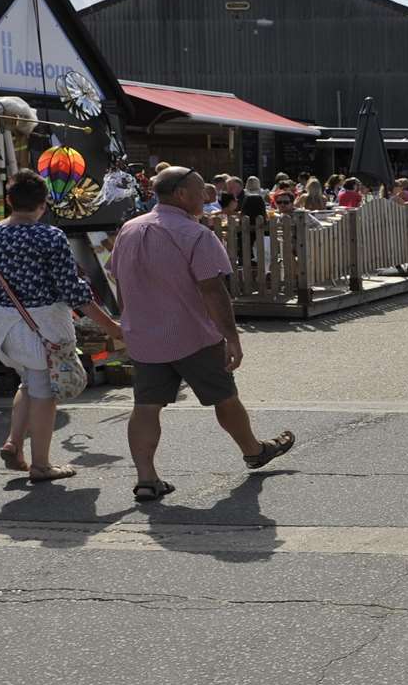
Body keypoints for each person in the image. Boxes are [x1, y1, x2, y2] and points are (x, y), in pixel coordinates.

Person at [107, 166, 294, 502]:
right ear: (181, 194)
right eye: (199, 190)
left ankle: (146, 478)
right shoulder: (195, 234)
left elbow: (120, 283)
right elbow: (213, 290)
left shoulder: (129, 230)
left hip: (144, 337)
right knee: (224, 397)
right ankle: (253, 450)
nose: (205, 196)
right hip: (192, 334)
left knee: (146, 407)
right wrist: (232, 337)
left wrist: (128, 322)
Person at [0, 170, 123, 483]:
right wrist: (110, 326)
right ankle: (42, 465)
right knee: (45, 394)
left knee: (29, 383)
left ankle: (14, 443)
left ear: (9, 200)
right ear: (44, 204)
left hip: (1, 327)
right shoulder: (50, 236)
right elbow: (72, 290)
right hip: (43, 325)